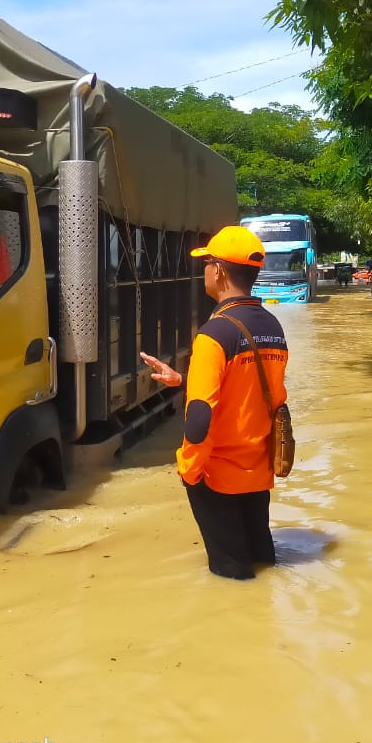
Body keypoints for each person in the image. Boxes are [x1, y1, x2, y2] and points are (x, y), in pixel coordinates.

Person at [139, 226, 288, 580]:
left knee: (232, 578)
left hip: (218, 477)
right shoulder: (273, 327)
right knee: (264, 564)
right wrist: (182, 381)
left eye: (207, 262)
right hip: (258, 470)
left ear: (218, 271)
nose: (204, 270)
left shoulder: (214, 333)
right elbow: (250, 389)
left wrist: (189, 470)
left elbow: (199, 419)